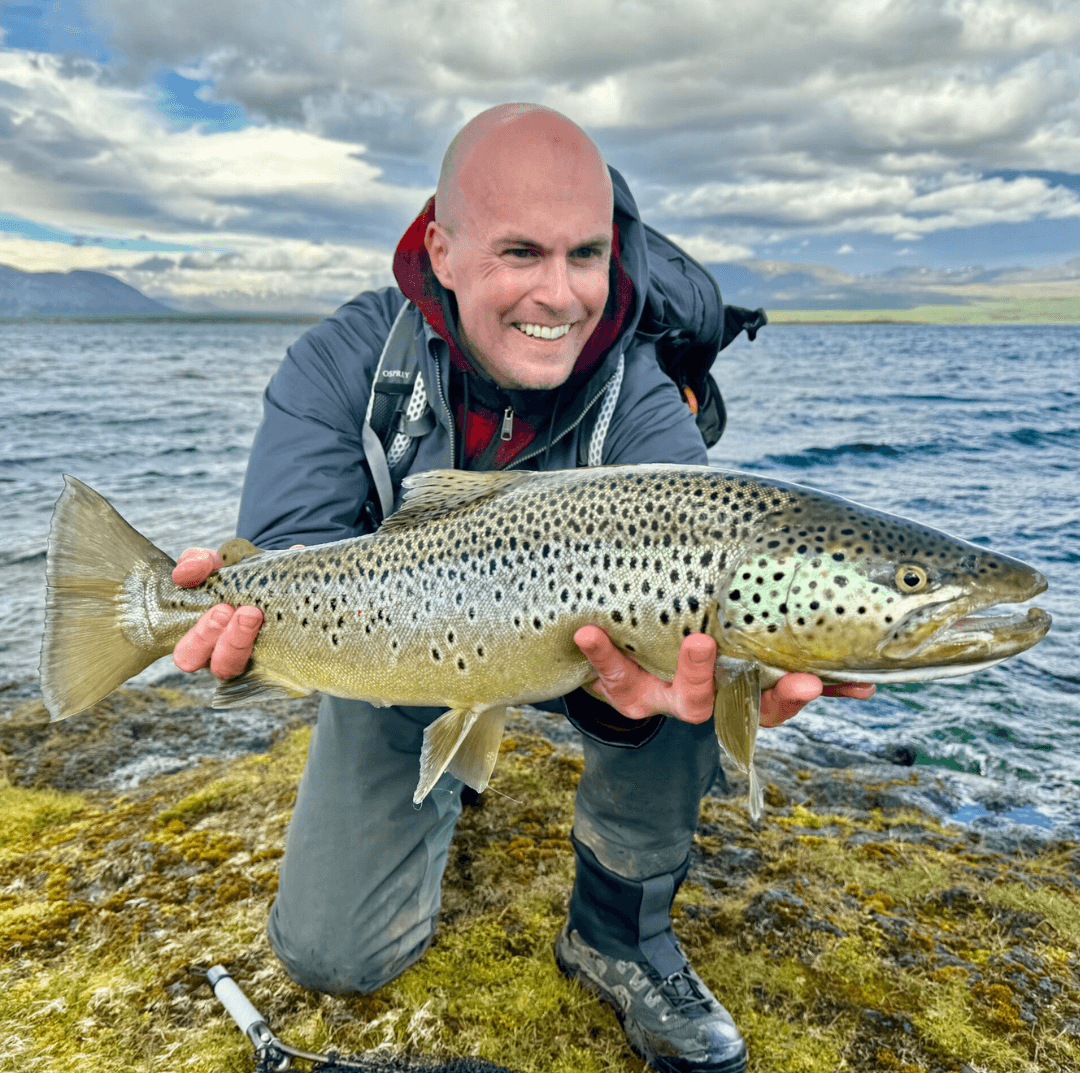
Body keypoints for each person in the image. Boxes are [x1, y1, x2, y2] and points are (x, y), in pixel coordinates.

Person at [170, 104, 873, 1073]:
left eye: (586, 255)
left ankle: (618, 931)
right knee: (333, 956)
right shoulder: (341, 367)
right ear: (442, 250)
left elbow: (695, 617)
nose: (560, 294)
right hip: (404, 653)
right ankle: (453, 779)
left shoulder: (639, 400)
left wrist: (649, 712)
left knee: (708, 663)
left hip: (586, 655)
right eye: (520, 254)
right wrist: (235, 639)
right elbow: (290, 564)